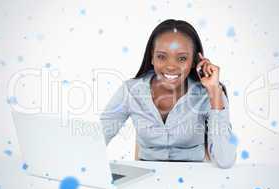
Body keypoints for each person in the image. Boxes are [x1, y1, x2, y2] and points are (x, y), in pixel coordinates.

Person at [99, 19, 237, 169]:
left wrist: (214, 93)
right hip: (146, 181)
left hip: (195, 179)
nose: (171, 66)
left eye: (182, 58)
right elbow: (98, 138)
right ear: (152, 56)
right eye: (161, 56)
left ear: (194, 61)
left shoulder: (208, 93)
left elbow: (225, 160)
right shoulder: (131, 91)